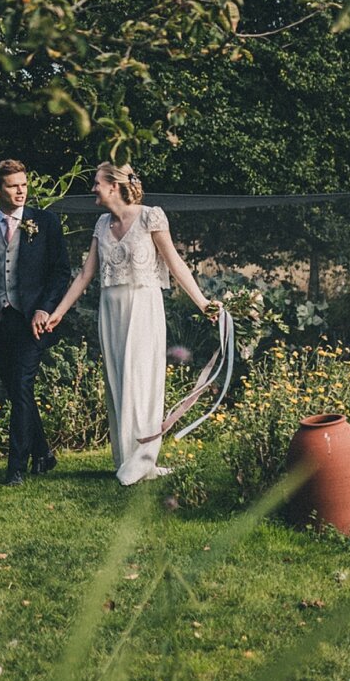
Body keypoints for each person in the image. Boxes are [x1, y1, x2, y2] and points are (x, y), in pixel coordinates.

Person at [36, 161, 220, 486]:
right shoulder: (101, 224)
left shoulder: (151, 216)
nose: (92, 188)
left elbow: (175, 263)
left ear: (113, 186)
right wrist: (59, 312)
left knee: (142, 379)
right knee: (119, 379)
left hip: (144, 306)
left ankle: (143, 459)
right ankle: (127, 458)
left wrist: (203, 302)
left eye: (96, 182)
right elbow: (85, 275)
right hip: (111, 309)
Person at [0, 159, 71, 484]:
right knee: (16, 390)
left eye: (24, 184)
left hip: (33, 321)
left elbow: (60, 272)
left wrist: (46, 308)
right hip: (0, 320)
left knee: (22, 385)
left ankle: (16, 470)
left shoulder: (46, 222)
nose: (21, 190)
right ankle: (43, 453)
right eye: (13, 185)